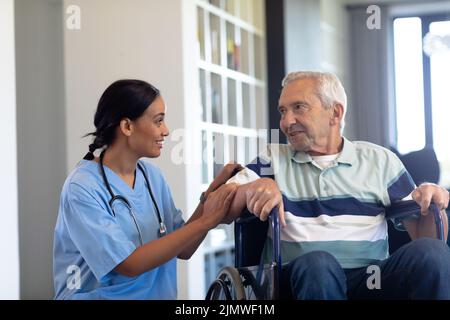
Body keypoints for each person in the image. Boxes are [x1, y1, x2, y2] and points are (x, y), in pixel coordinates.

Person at [224, 71, 450, 299]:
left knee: (432, 252)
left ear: (335, 112)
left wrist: (432, 203)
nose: (286, 122)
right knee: (319, 264)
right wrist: (256, 185)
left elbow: (425, 236)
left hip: (370, 280)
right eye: (283, 111)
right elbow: (219, 205)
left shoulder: (380, 160)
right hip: (300, 278)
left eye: (298, 107)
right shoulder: (272, 159)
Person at [53, 79, 239, 299]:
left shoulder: (152, 177)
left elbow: (184, 248)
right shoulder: (82, 187)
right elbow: (129, 264)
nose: (166, 131)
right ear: (127, 126)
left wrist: (212, 195)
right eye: (158, 121)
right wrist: (206, 220)